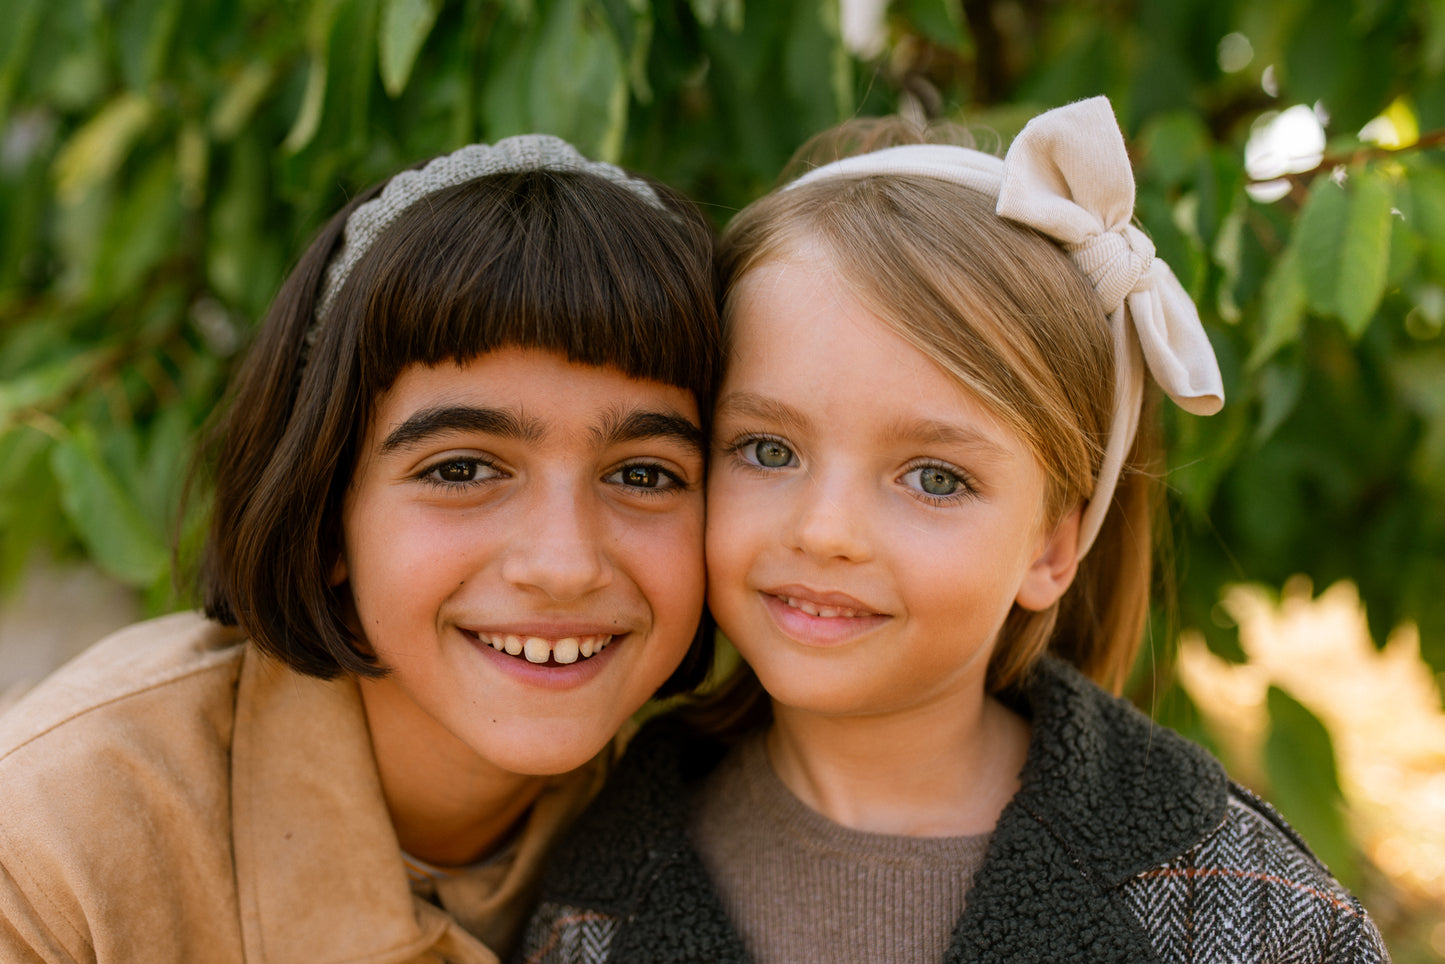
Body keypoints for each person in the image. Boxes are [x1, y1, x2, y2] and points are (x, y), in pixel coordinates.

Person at [520, 98, 1391, 963]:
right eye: (768, 450)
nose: (825, 531)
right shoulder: (582, 882)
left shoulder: (1256, 914)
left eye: (935, 478)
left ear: (1052, 546)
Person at [0, 135, 720, 963]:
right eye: (461, 469)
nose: (565, 565)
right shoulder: (53, 847)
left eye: (643, 474)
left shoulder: (727, 815)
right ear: (324, 509)